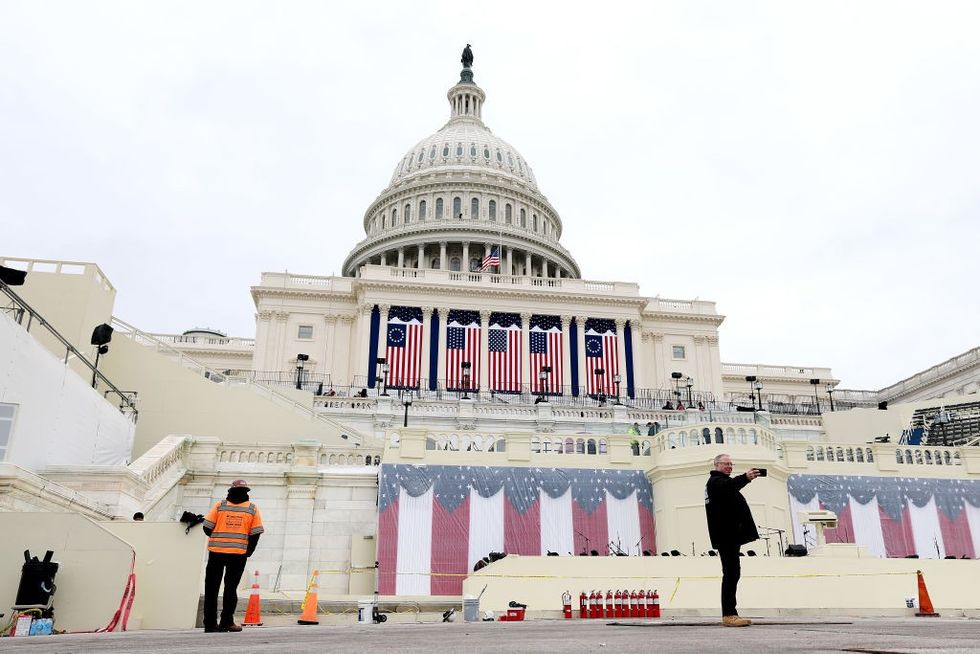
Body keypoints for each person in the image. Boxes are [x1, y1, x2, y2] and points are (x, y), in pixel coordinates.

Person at [704, 454, 761, 627]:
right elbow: (730, 486)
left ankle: (730, 612)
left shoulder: (720, 483)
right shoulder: (715, 482)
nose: (729, 466)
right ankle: (729, 613)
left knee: (733, 572)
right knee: (731, 573)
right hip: (725, 535)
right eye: (726, 464)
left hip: (729, 535)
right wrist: (746, 478)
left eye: (731, 464)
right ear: (716, 465)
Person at [201, 479, 264, 633]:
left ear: (230, 491)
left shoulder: (220, 506)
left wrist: (219, 536)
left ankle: (210, 624)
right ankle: (227, 622)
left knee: (211, 589)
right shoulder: (252, 509)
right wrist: (248, 551)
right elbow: (255, 534)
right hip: (238, 554)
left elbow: (207, 527)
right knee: (231, 588)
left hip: (216, 552)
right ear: (246, 492)